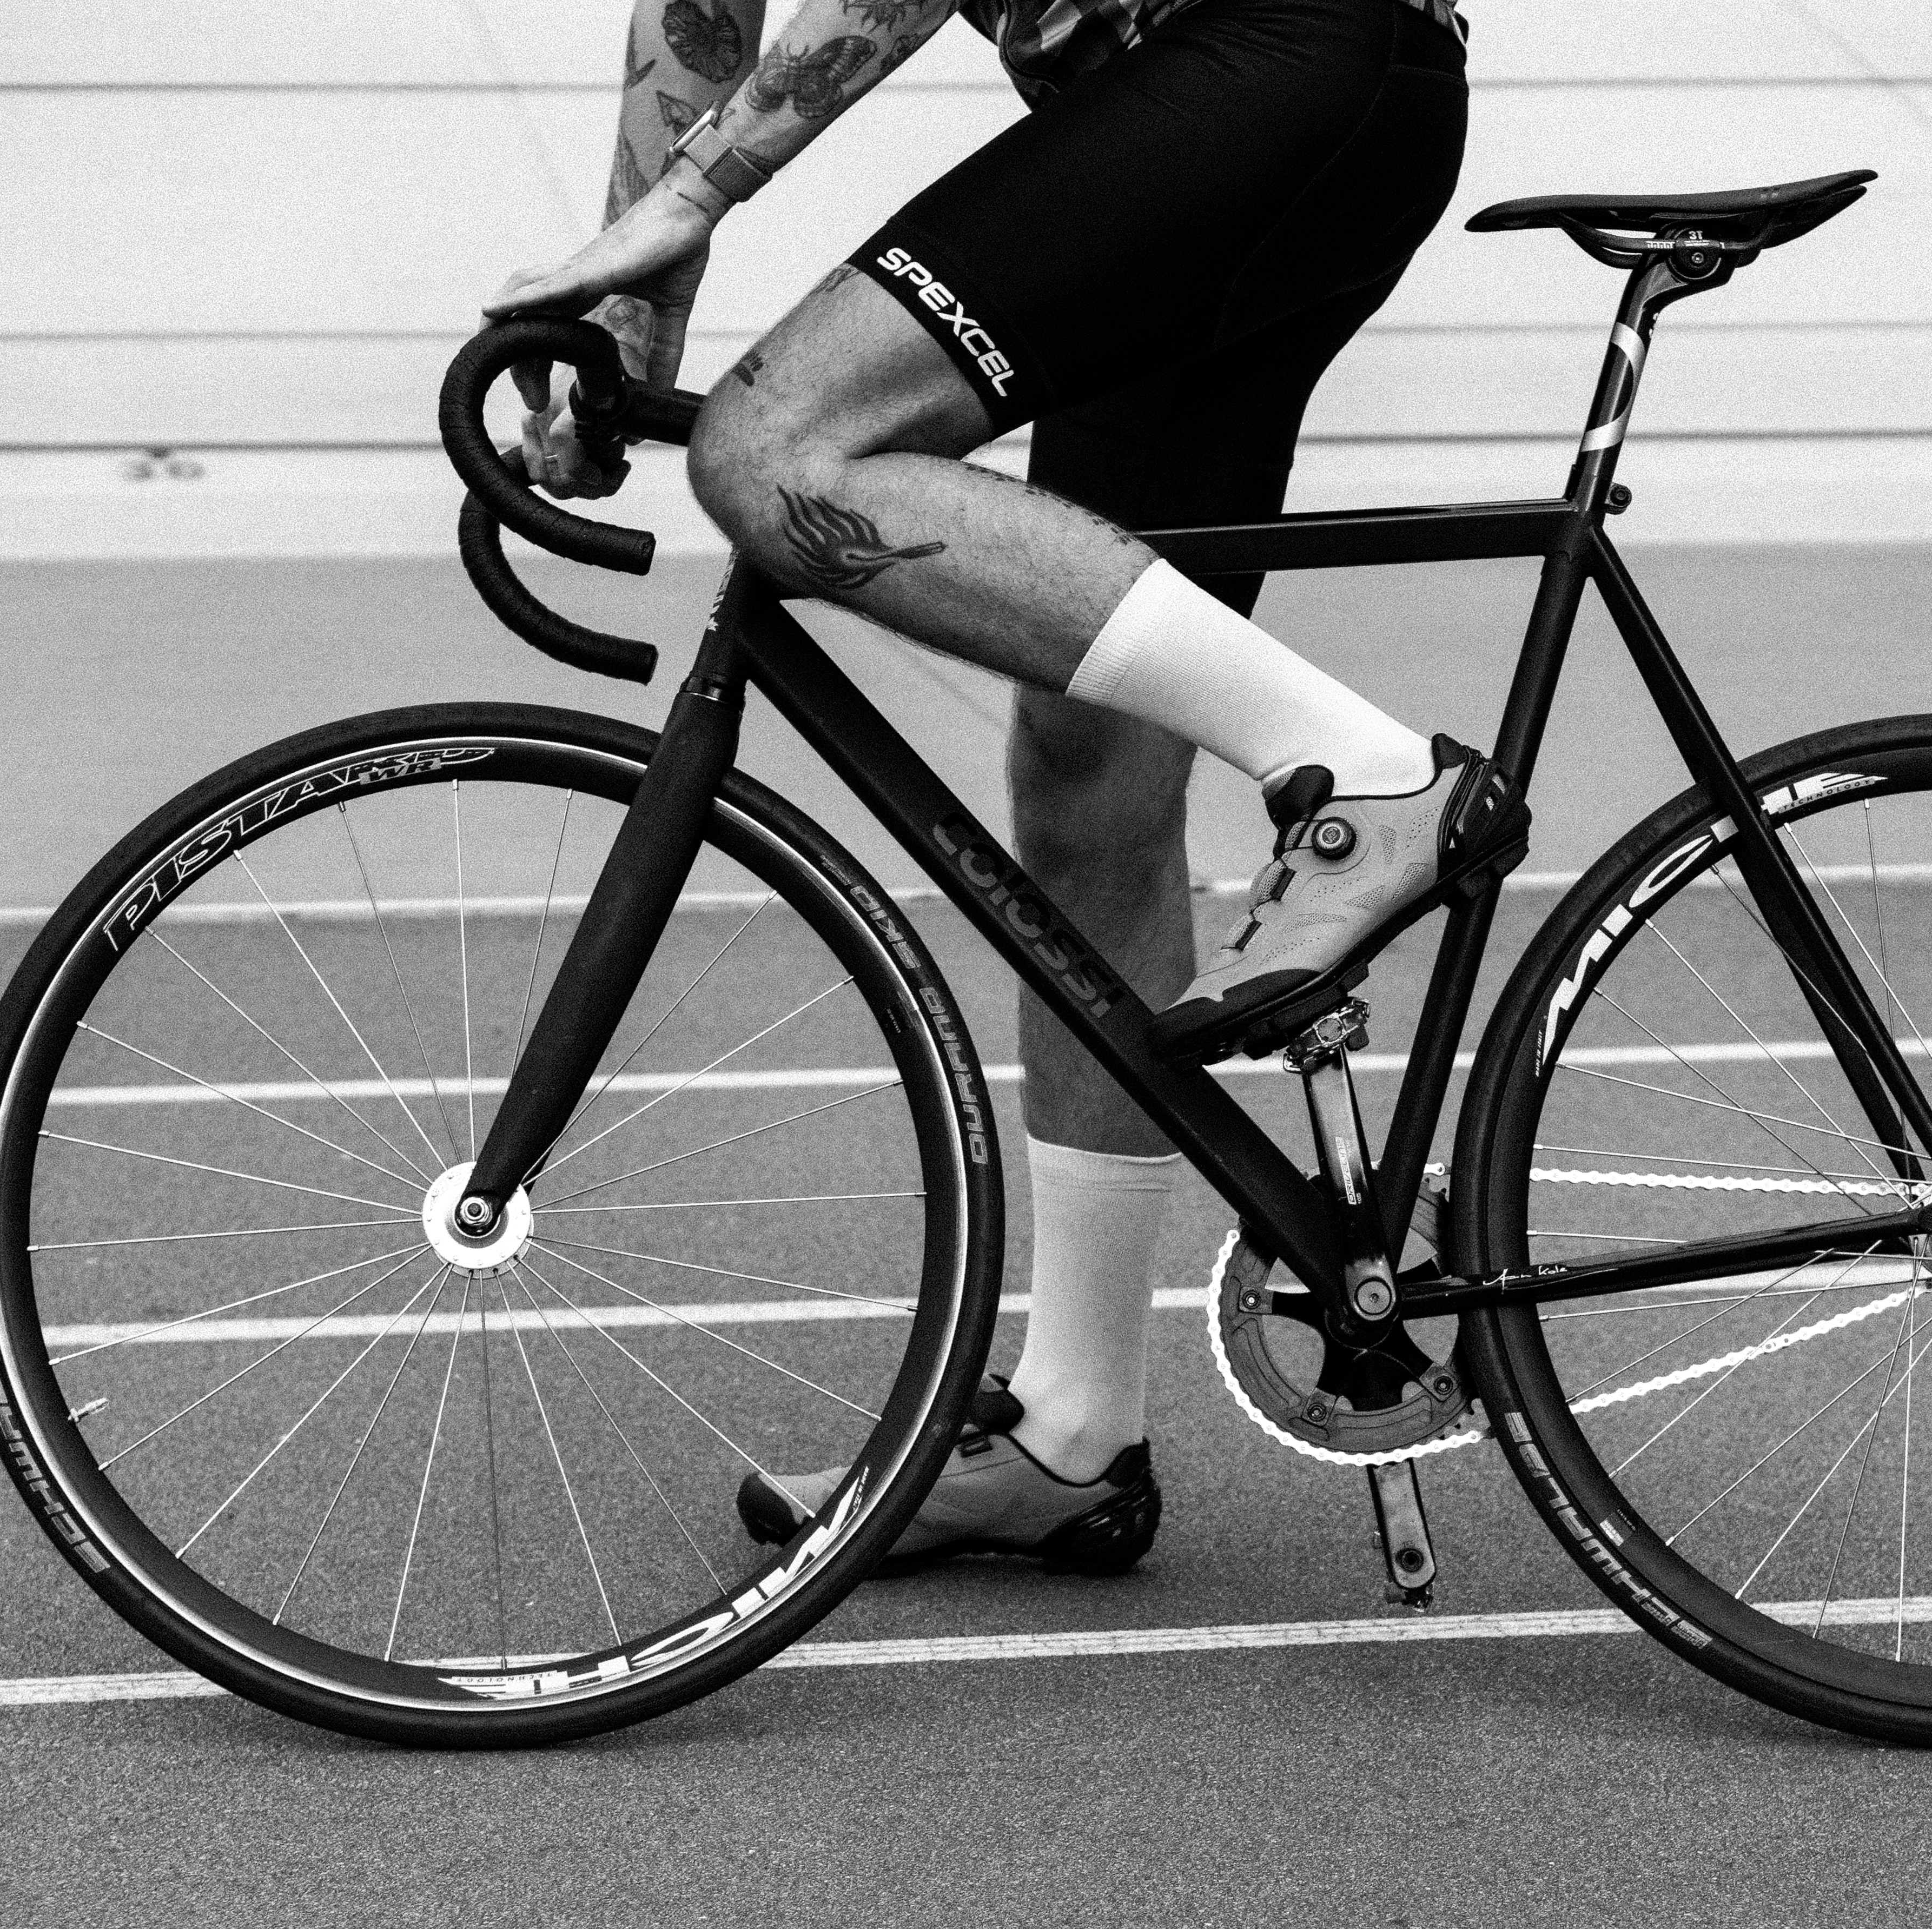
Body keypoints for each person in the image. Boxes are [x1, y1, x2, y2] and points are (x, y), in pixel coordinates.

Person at [486, 0, 1520, 1573]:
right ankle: (1074, 1431)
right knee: (1088, 772)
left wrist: (699, 196)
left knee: (778, 449)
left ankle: (1369, 779)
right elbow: (698, 12)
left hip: (1280, 60)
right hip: (1249, 97)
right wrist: (626, 335)